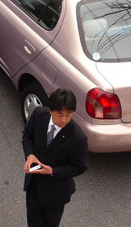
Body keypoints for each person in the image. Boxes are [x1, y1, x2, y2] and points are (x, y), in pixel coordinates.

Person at [22, 88, 88, 227]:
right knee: (33, 222)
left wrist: (52, 171)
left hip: (56, 194)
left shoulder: (78, 138)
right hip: (34, 185)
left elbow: (80, 167)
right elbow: (27, 136)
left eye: (68, 114)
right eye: (60, 114)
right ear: (51, 110)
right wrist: (30, 155)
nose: (64, 119)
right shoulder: (39, 115)